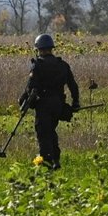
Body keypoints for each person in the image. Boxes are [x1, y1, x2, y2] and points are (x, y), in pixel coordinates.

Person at [23, 33, 80, 169]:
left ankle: (46, 161)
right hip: (58, 104)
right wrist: (75, 102)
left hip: (43, 104)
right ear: (51, 48)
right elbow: (73, 86)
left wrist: (23, 100)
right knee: (51, 131)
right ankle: (56, 159)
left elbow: (30, 87)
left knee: (43, 132)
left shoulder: (38, 66)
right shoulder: (62, 65)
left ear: (38, 49)